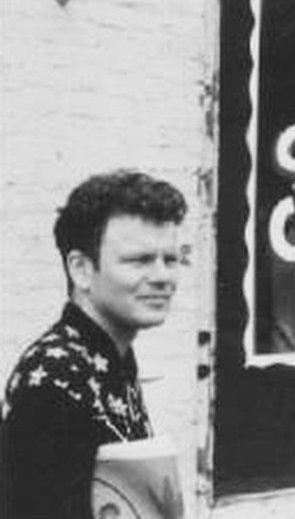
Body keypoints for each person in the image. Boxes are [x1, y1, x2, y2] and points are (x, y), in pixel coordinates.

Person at [0, 170, 188, 519]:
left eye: (171, 259)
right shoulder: (54, 380)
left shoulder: (110, 356)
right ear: (81, 269)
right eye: (139, 260)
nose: (164, 277)